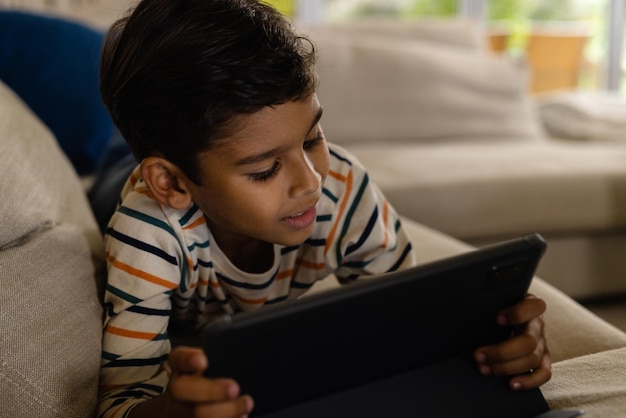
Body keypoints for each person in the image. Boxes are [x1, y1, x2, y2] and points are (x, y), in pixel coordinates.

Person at [96, 1, 551, 417]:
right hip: (121, 187)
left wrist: (494, 344)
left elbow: (407, 325)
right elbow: (122, 399)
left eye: (313, 139)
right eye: (265, 169)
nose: (312, 182)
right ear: (172, 181)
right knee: (111, 170)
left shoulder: (342, 186)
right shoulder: (147, 231)